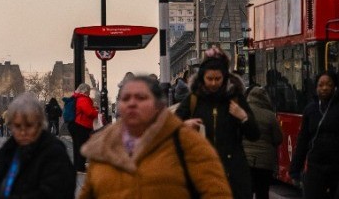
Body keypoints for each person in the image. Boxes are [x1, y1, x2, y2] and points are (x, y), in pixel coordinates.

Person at [78, 74, 232, 199]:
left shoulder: (187, 141)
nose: (132, 103)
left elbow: (216, 192)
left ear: (159, 105)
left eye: (141, 98)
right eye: (125, 98)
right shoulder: (103, 148)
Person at [174, 47, 259, 199]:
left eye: (218, 79)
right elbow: (170, 130)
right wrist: (184, 126)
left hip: (233, 174)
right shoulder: (193, 100)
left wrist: (243, 117)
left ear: (225, 78)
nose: (213, 83)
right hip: (200, 173)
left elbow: (254, 134)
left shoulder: (236, 99)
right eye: (209, 79)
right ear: (202, 78)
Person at [0, 93, 76, 198]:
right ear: (11, 126)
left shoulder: (54, 153)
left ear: (40, 125)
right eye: (17, 126)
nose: (23, 132)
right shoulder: (10, 150)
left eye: (29, 126)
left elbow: (53, 193)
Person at [288, 72, 339, 199]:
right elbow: (303, 141)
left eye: (329, 84)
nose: (324, 88)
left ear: (335, 87)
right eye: (320, 85)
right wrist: (295, 169)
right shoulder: (310, 109)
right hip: (315, 167)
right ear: (316, 88)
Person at [243, 86, 283, 199]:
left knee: (246, 191)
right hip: (265, 162)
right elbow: (278, 138)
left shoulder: (244, 113)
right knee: (263, 191)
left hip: (246, 159)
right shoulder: (270, 116)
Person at [69, 82, 99, 172]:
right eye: (89, 91)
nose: (89, 93)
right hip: (81, 125)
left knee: (77, 146)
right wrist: (97, 112)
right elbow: (89, 113)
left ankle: (77, 166)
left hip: (76, 125)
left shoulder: (77, 98)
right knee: (82, 146)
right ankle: (80, 167)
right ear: (85, 91)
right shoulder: (83, 99)